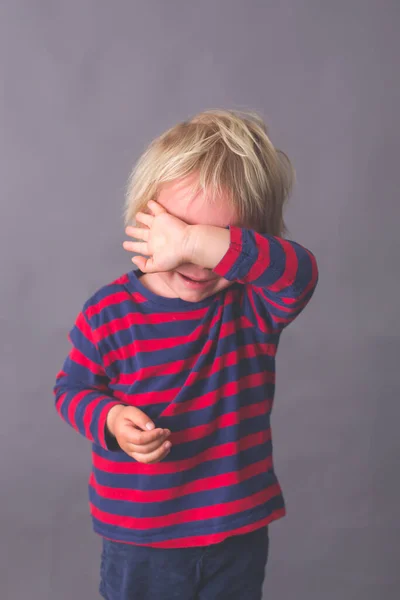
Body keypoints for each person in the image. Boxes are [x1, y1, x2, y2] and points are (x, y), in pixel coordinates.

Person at [53, 109, 319, 600]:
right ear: (145, 219)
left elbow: (299, 273)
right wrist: (110, 418)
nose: (194, 257)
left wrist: (196, 241)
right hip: (139, 535)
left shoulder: (253, 306)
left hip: (235, 531)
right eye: (180, 230)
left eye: (216, 241)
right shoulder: (109, 312)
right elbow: (70, 390)